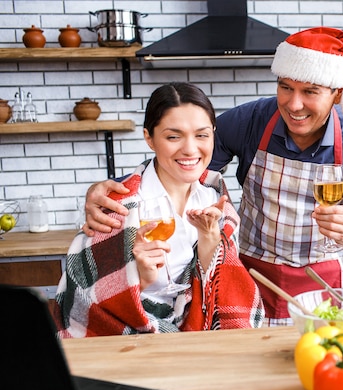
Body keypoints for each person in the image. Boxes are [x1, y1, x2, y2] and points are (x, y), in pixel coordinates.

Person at [81, 27, 343, 325]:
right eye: (285, 87)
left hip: (326, 287)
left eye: (310, 92)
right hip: (252, 280)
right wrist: (119, 190)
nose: (294, 104)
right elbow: (185, 164)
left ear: (337, 94)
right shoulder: (251, 120)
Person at [54, 82, 265, 337]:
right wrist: (137, 279)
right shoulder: (117, 205)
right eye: (173, 136)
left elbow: (219, 286)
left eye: (201, 135)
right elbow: (85, 297)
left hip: (201, 340)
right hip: (130, 343)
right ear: (149, 138)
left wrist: (209, 239)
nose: (190, 149)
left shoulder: (215, 197)